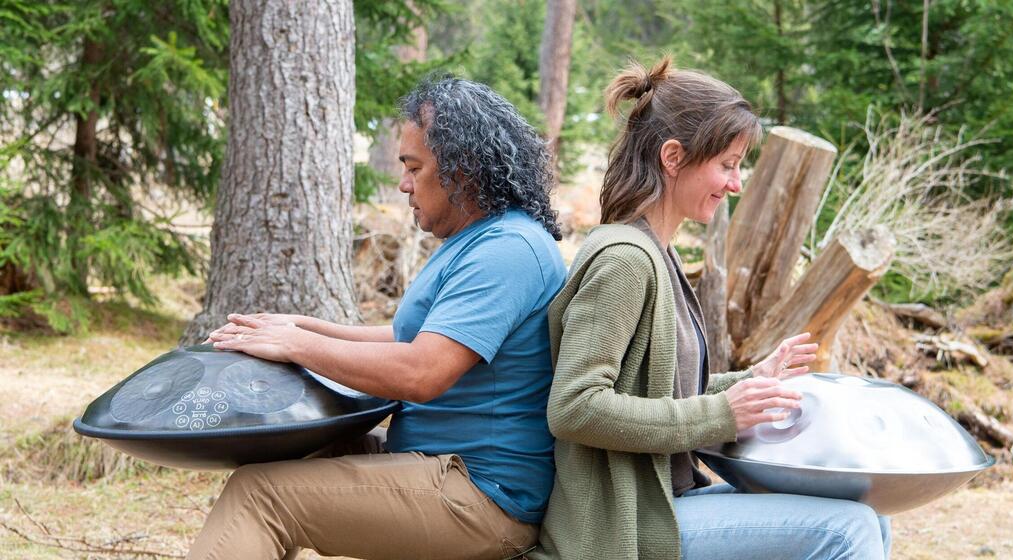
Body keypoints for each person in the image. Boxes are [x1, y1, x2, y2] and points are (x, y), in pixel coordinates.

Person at [191, 75, 567, 560]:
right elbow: (409, 337)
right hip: (437, 464)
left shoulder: (507, 251)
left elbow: (422, 370)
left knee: (260, 496)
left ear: (463, 168)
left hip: (480, 495)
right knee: (291, 456)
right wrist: (302, 326)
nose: (403, 184)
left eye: (414, 167)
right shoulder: (476, 240)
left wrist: (297, 346)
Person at [531, 57, 892, 560]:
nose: (737, 183)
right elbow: (575, 407)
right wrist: (724, 413)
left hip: (668, 501)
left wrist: (748, 384)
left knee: (871, 513)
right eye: (727, 164)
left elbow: (666, 394)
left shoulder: (660, 253)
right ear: (673, 157)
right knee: (847, 530)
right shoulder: (625, 261)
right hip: (624, 528)